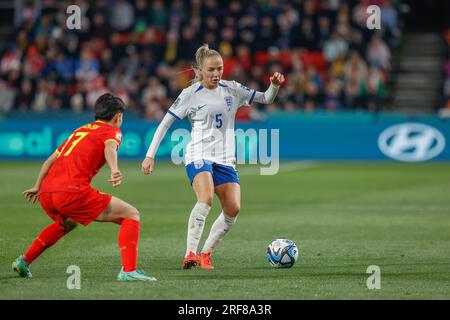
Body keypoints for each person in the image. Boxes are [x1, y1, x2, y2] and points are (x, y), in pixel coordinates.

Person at [141, 44, 285, 269]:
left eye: (219, 69)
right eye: (211, 70)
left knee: (233, 209)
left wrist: (274, 86)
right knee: (205, 198)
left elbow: (266, 98)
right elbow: (165, 123)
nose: (216, 74)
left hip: (225, 158)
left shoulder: (232, 89)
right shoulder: (190, 94)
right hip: (199, 154)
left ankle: (205, 253)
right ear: (200, 69)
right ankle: (190, 253)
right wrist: (150, 155)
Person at [13, 93, 156, 282]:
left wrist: (37, 186)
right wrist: (114, 169)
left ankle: (24, 261)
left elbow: (50, 160)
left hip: (47, 192)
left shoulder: (79, 131)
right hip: (70, 192)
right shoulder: (112, 131)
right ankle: (129, 270)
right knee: (131, 214)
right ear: (118, 116)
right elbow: (110, 148)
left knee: (67, 223)